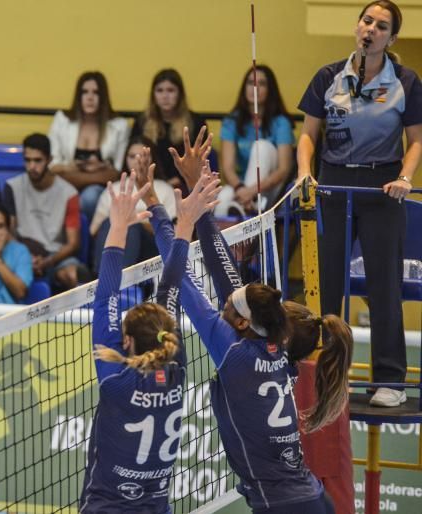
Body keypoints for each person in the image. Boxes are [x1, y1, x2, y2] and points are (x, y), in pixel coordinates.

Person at [142, 158, 348, 513]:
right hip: (311, 499)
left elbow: (184, 280)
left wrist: (157, 207)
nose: (224, 302)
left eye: (229, 306)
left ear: (243, 324)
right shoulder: (279, 351)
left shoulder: (236, 353)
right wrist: (198, 194)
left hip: (282, 507)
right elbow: (226, 273)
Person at [297, 0, 422, 408]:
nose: (371, 29)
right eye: (367, 21)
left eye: (381, 26)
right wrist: (304, 172)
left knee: (385, 284)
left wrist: (405, 177)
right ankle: (330, 377)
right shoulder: (327, 76)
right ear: (357, 26)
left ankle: (390, 380)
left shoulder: (405, 80)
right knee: (328, 285)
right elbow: (308, 135)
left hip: (382, 185)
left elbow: (416, 140)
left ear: (391, 38)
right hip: (332, 183)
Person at [80, 171, 185, 513]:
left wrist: (119, 224)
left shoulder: (116, 382)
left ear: (126, 340)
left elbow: (107, 297)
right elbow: (170, 286)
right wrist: (180, 224)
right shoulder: (176, 373)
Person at [4, 133, 89, 291]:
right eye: (27, 160)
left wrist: (47, 262)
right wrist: (25, 258)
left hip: (54, 257)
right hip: (20, 252)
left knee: (73, 274)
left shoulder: (68, 193)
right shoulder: (12, 187)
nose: (32, 167)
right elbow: (8, 231)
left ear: (49, 159)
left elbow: (73, 243)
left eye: (37, 161)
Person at [48, 71, 130, 220]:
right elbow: (52, 165)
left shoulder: (119, 126)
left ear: (103, 97)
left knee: (90, 197)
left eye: (96, 92)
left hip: (101, 188)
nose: (90, 97)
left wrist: (75, 175)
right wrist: (71, 167)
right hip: (65, 183)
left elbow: (117, 172)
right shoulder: (62, 120)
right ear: (78, 96)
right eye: (85, 92)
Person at [90, 136, 175, 276]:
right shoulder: (113, 189)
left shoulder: (165, 189)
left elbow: (174, 235)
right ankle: (104, 278)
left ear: (151, 159)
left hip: (152, 253)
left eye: (142, 156)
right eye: (131, 156)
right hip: (114, 244)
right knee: (115, 223)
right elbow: (94, 232)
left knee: (132, 226)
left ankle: (113, 283)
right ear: (125, 158)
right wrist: (119, 223)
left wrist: (135, 221)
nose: (136, 160)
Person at [218, 65, 295, 216]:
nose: (255, 88)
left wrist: (252, 191)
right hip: (241, 187)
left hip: (272, 189)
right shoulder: (231, 121)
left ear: (270, 90)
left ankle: (248, 205)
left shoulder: (281, 122)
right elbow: (228, 168)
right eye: (250, 83)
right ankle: (232, 237)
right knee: (222, 198)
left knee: (261, 146)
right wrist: (242, 190)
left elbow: (284, 170)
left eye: (262, 84)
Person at [130, 68, 207, 194]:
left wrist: (181, 179)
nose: (165, 96)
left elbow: (200, 161)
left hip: (185, 183)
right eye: (160, 91)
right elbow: (134, 158)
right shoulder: (141, 122)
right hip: (149, 182)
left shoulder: (196, 122)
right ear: (153, 95)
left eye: (170, 90)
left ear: (180, 94)